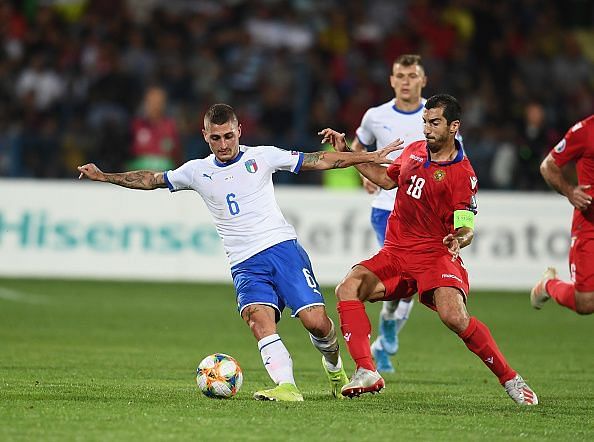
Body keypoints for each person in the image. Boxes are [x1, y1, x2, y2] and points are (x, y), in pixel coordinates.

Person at [77, 103, 401, 402]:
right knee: (259, 321)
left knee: (316, 322)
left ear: (239, 131)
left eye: (228, 136)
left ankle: (335, 370)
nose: (222, 144)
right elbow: (150, 179)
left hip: (282, 250)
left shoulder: (262, 157)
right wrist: (104, 176)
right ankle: (287, 386)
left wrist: (369, 157)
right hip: (244, 262)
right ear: (205, 136)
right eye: (215, 138)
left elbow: (321, 159)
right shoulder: (195, 171)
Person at [323, 94, 538, 405]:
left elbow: (465, 226)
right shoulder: (413, 151)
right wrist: (348, 155)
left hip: (435, 256)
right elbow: (385, 179)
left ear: (454, 127)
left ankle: (510, 379)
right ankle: (366, 370)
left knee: (454, 317)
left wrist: (459, 239)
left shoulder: (462, 174)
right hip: (396, 252)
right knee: (348, 287)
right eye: (425, 122)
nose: (426, 129)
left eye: (434, 123)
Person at [349, 54, 427, 373]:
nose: (406, 81)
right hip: (386, 209)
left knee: (415, 280)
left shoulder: (435, 116)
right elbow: (358, 147)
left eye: (412, 75)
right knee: (401, 276)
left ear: (423, 80)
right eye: (400, 75)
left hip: (423, 213)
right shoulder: (375, 116)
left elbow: (453, 157)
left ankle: (382, 339)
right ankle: (387, 331)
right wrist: (363, 174)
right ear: (391, 80)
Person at [531, 114, 594, 315]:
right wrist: (570, 191)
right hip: (589, 224)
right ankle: (548, 284)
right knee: (585, 304)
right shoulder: (584, 131)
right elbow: (548, 166)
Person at [129, 86, 181, 171]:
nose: (155, 106)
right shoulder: (136, 125)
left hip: (164, 178)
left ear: (164, 104)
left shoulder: (171, 126)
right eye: (151, 102)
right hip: (139, 177)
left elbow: (178, 156)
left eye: (158, 102)